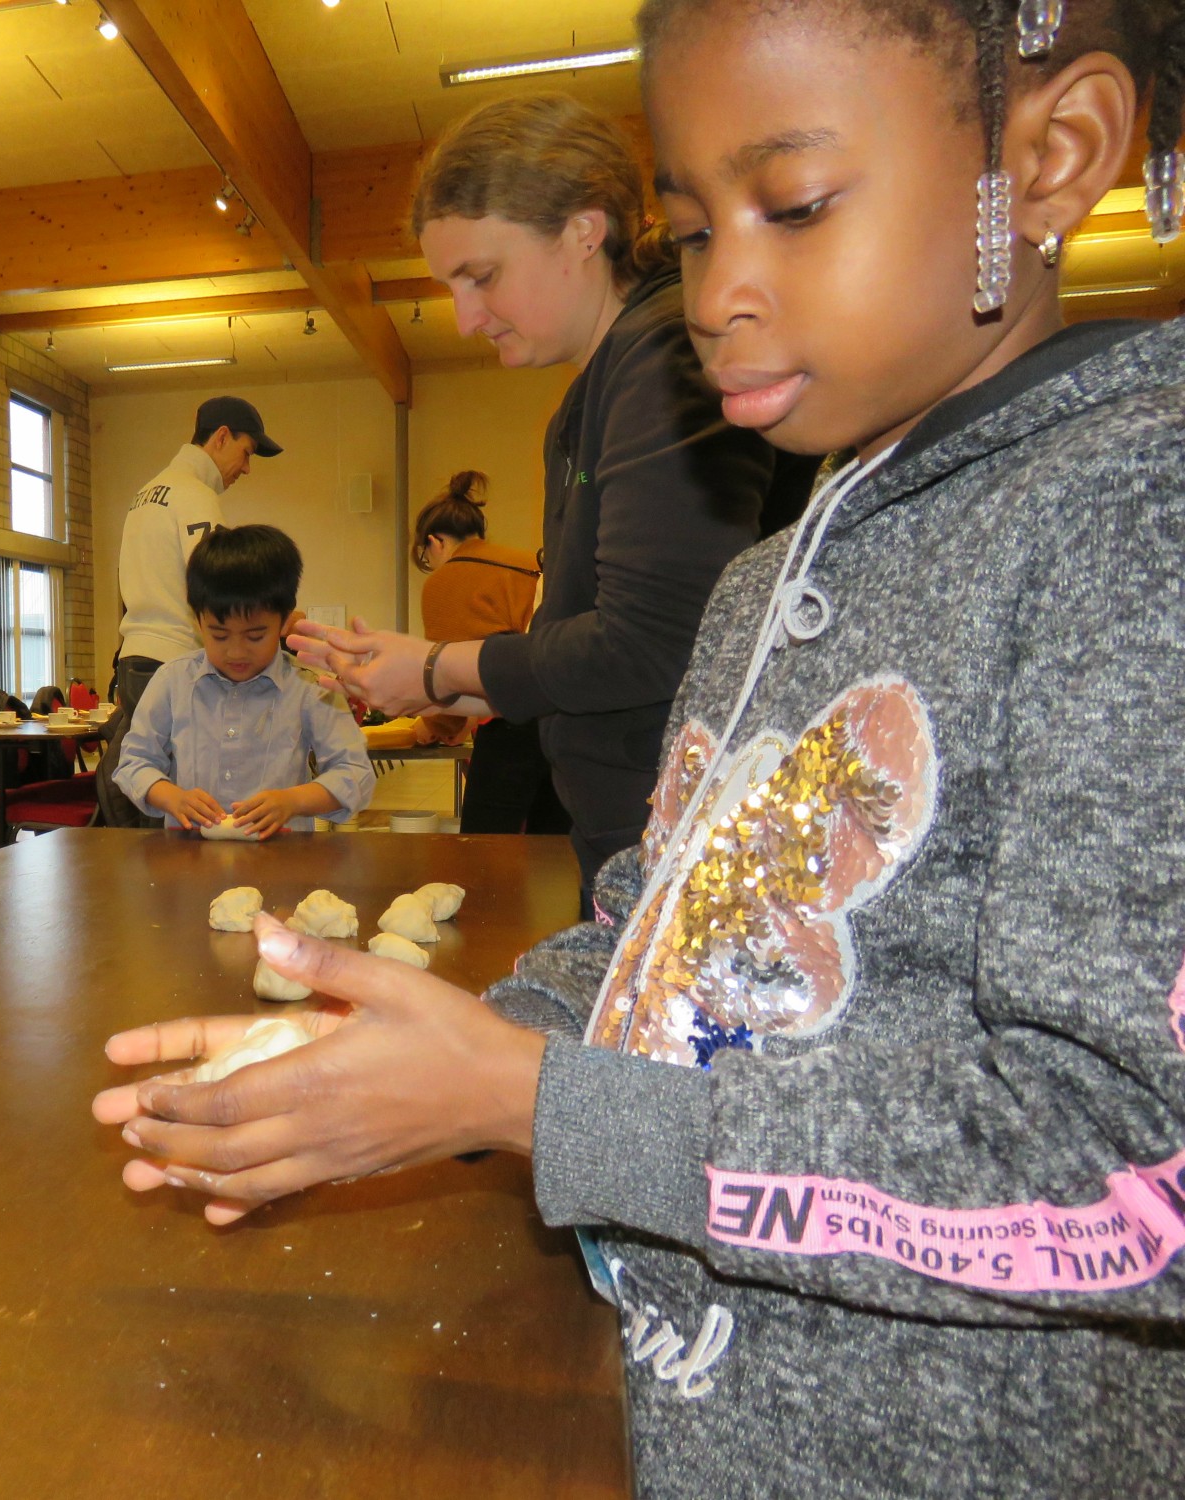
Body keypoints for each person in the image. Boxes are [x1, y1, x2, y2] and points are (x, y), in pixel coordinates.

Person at [95, 2, 1185, 1494]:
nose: (723, 288)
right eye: (689, 229)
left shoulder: (1135, 528)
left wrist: (523, 1101)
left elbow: (1135, 1176)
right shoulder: (761, 589)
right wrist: (437, 1049)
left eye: (793, 207)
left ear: (1055, 157)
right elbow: (657, 941)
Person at [294, 93, 816, 907]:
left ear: (584, 229)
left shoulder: (665, 358)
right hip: (632, 834)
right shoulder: (593, 393)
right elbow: (578, 650)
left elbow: (653, 643)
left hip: (686, 841)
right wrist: (425, 678)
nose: (465, 318)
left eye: (483, 276)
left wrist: (436, 668)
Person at [113, 525, 373, 837]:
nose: (236, 651)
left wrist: (292, 801)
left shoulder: (310, 687)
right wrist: (173, 798)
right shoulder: (172, 681)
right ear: (197, 620)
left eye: (255, 635)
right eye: (219, 635)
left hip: (282, 860)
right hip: (192, 858)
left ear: (285, 619)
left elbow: (356, 773)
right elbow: (133, 763)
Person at [97, 396, 282, 827]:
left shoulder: (145, 494)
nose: (247, 468)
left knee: (152, 789)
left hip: (134, 659)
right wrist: (277, 622)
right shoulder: (194, 495)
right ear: (221, 437)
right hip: (173, 661)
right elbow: (222, 589)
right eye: (247, 453)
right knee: (186, 803)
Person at [410, 469, 566, 835]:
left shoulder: (444, 581)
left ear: (436, 542)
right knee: (553, 852)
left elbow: (443, 671)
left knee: (486, 848)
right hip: (563, 721)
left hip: (511, 728)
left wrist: (434, 725)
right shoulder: (529, 561)